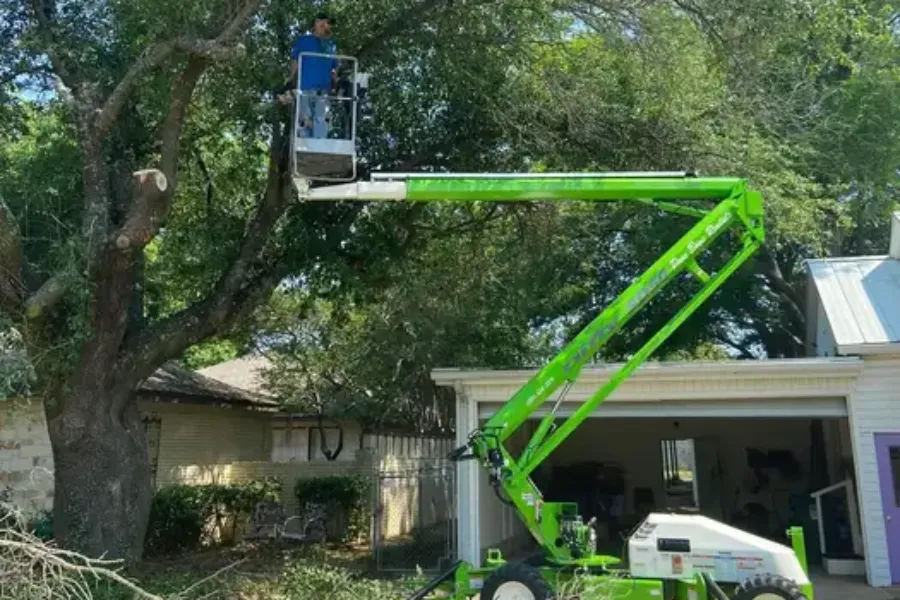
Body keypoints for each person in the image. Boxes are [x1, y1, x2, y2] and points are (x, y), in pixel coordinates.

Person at [278, 13, 339, 139]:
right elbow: (295, 61)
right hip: (304, 88)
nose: (323, 24)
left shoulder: (331, 45)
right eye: (320, 21)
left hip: (323, 91)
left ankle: (319, 149)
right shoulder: (303, 41)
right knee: (304, 121)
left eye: (325, 22)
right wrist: (290, 80)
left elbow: (334, 67)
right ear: (314, 24)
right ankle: (305, 148)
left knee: (321, 122)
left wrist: (335, 83)